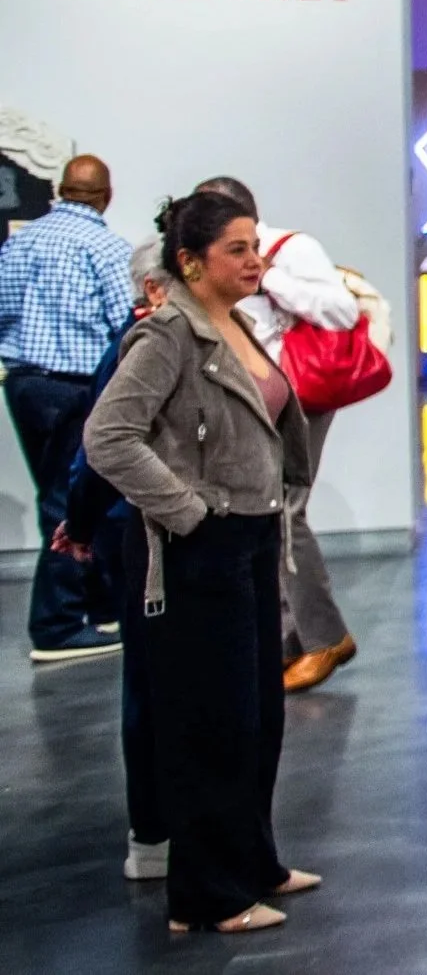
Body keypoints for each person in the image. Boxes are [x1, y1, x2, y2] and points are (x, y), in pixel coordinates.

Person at [83, 191, 322, 935]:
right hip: (200, 550)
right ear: (191, 263)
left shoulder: (240, 322)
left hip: (250, 541)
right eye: (238, 250)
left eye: (256, 246)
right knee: (212, 723)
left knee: (256, 715)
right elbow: (109, 437)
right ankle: (206, 894)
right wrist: (186, 510)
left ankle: (253, 862)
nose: (255, 260)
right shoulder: (168, 336)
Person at [193, 175, 364, 692]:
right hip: (249, 397)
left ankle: (323, 638)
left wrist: (270, 279)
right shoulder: (214, 254)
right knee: (263, 514)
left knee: (287, 510)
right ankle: (286, 640)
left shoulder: (293, 248)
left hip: (298, 397)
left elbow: (343, 310)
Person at [54, 241, 174, 881]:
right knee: (151, 688)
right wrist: (81, 523)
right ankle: (153, 836)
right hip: (142, 536)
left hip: (158, 534)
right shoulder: (140, 349)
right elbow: (102, 447)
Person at [0, 152, 133, 661]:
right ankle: (55, 626)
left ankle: (98, 606)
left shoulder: (21, 240)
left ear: (59, 189)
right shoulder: (106, 248)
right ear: (106, 195)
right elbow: (123, 329)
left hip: (24, 385)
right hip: (76, 388)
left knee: (60, 495)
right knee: (70, 501)